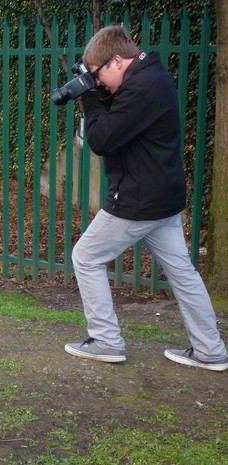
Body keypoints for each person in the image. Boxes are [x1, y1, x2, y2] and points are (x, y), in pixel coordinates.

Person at [64, 25, 228, 372]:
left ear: (117, 60)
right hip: (163, 197)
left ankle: (106, 341)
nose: (98, 81)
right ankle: (210, 350)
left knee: (86, 257)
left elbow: (102, 139)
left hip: (137, 199)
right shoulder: (152, 77)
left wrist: (88, 96)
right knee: (183, 273)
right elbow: (121, 118)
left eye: (97, 74)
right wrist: (98, 89)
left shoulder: (141, 88)